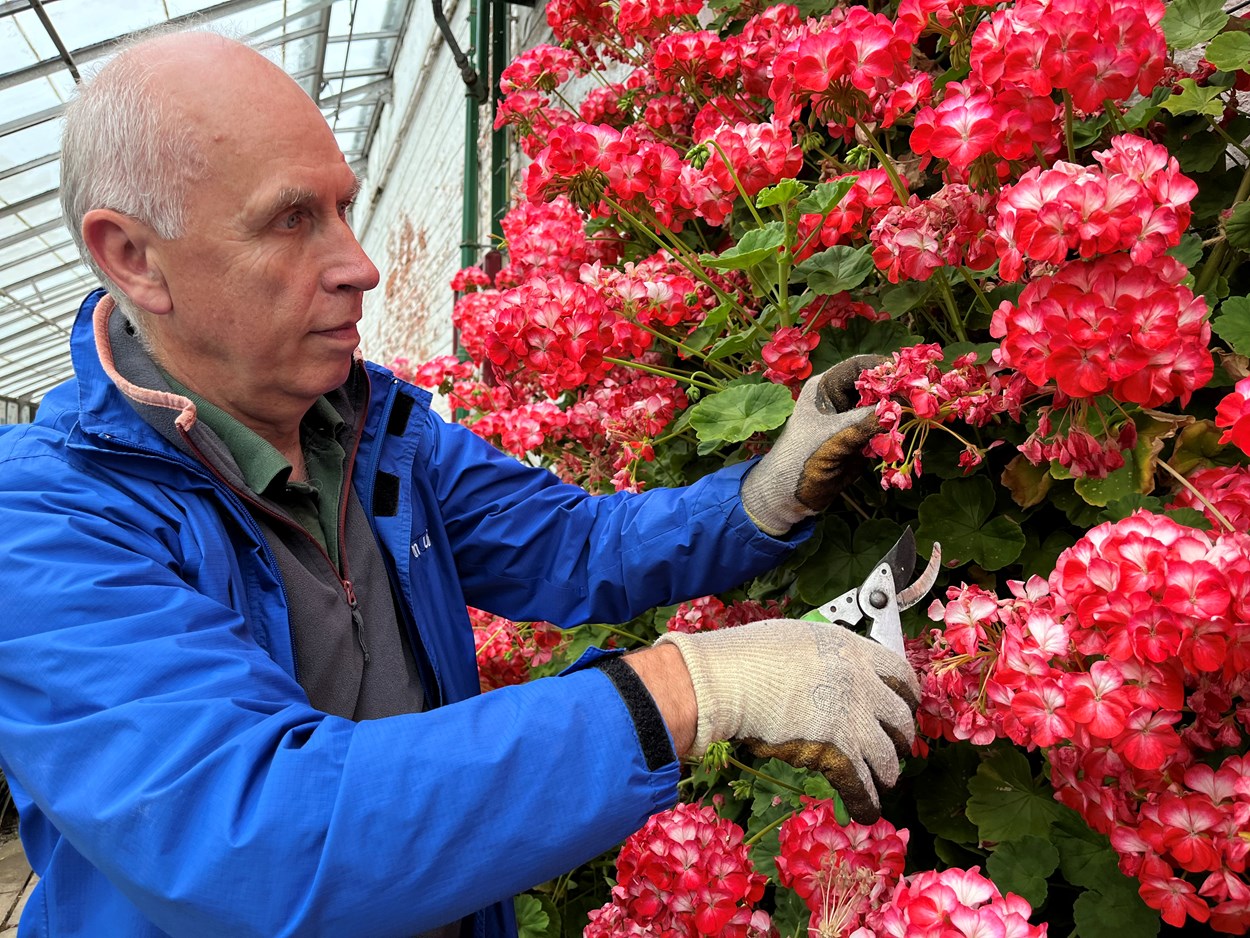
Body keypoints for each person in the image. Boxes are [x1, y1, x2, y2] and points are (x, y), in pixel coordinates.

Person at [0, 28, 918, 938]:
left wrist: (766, 494)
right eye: (291, 220)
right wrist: (691, 689)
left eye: (345, 208)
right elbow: (255, 836)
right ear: (133, 257)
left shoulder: (370, 432)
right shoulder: (49, 521)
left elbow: (576, 545)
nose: (358, 265)